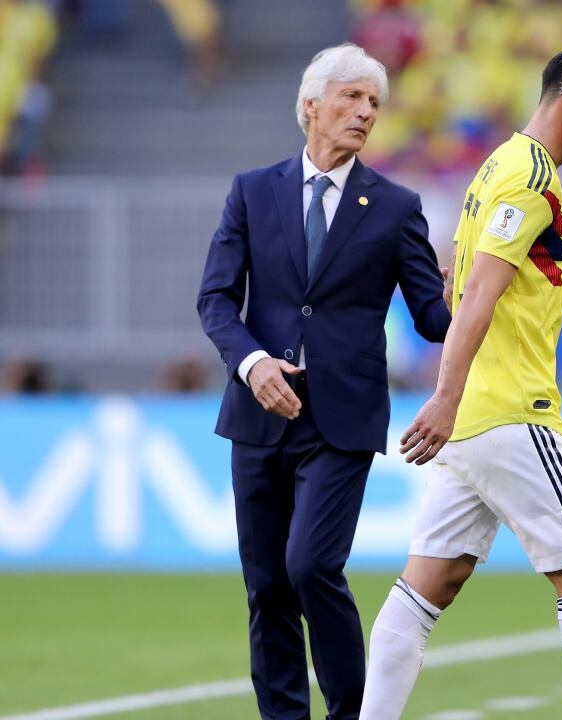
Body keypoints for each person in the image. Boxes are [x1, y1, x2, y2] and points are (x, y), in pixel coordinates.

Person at [360, 43, 562, 719]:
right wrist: (447, 394)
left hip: (473, 423)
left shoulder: (495, 167)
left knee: (430, 583)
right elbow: (479, 294)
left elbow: (462, 284)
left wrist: (454, 404)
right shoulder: (530, 178)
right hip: (512, 413)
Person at [196, 43, 451, 720]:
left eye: (375, 103)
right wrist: (252, 364)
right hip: (258, 414)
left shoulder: (396, 207)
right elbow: (216, 300)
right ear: (310, 106)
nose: (366, 112)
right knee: (268, 588)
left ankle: (352, 715)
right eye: (352, 97)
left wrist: (480, 287)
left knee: (311, 566)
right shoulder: (252, 191)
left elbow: (433, 318)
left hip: (342, 417)